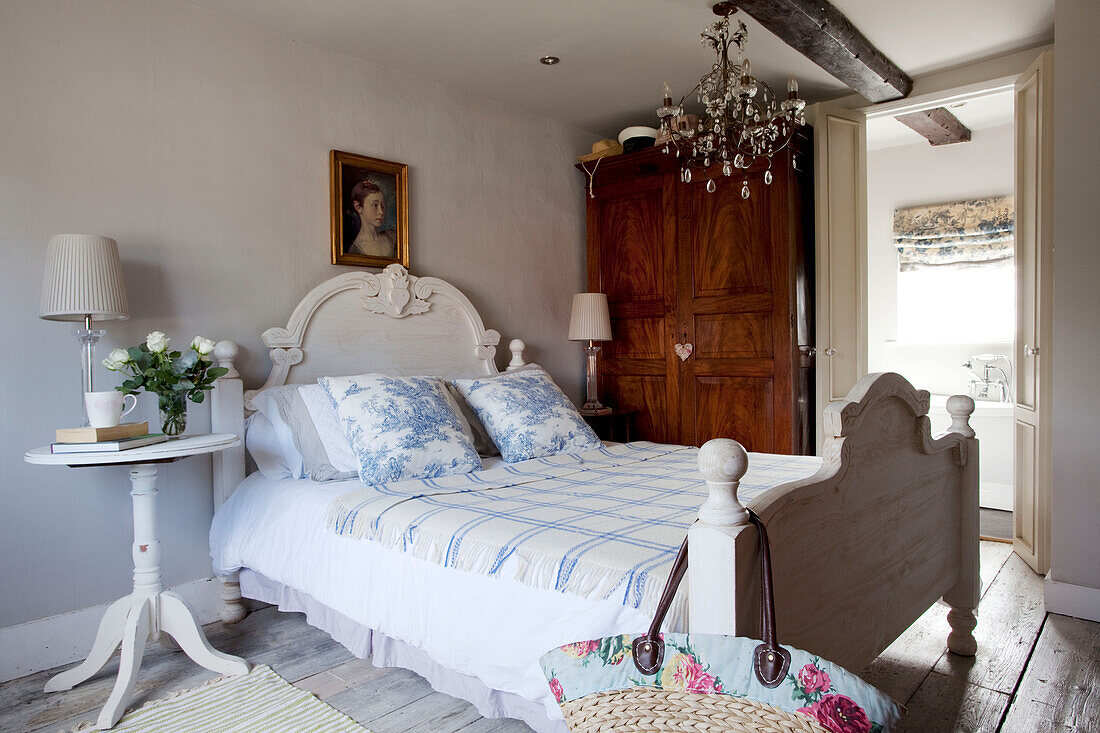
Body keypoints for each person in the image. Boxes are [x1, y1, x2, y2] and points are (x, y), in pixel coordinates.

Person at [347, 178, 397, 258]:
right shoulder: (356, 249)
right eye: (375, 205)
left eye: (383, 206)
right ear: (358, 207)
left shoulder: (391, 236)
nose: (381, 212)